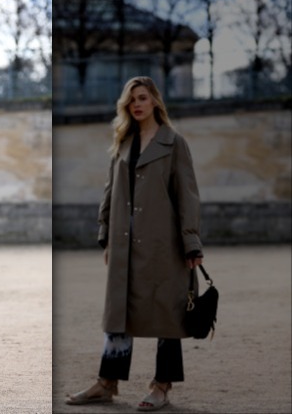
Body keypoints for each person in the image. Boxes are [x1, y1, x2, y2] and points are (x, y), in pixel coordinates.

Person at [66, 76, 204, 411]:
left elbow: (187, 195)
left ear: (155, 100)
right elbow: (110, 190)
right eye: (131, 101)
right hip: (123, 241)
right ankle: (107, 382)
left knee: (167, 312)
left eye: (142, 98)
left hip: (163, 243)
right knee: (118, 312)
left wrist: (191, 244)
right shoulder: (124, 142)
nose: (136, 105)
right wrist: (105, 235)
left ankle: (161, 385)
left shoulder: (174, 143)